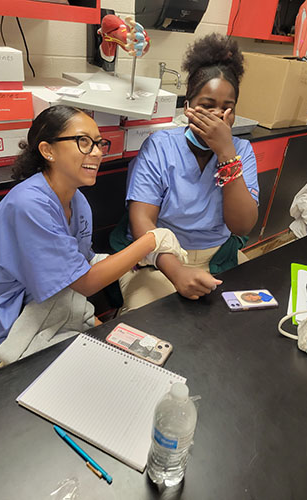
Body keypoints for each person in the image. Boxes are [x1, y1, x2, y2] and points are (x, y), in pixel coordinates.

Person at [0, 105, 186, 374]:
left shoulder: (76, 200)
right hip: (3, 332)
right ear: (48, 150)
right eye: (84, 142)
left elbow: (83, 261)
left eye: (99, 143)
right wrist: (151, 240)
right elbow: (85, 282)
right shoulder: (28, 205)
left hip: (47, 310)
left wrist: (139, 260)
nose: (97, 152)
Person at [111, 33, 259, 313]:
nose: (217, 116)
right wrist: (177, 272)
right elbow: (142, 221)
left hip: (217, 255)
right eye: (206, 106)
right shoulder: (160, 146)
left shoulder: (241, 150)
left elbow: (242, 226)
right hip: (158, 260)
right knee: (151, 321)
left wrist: (226, 154)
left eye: (227, 108)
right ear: (188, 107)